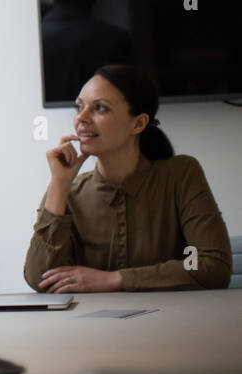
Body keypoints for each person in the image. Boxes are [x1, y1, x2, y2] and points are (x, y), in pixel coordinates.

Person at [25, 64, 232, 292]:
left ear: (138, 123)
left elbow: (213, 267)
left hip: (174, 322)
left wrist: (112, 280)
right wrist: (59, 183)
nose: (81, 118)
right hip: (90, 326)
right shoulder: (68, 190)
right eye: (79, 107)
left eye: (100, 108)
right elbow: (39, 279)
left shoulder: (180, 174)